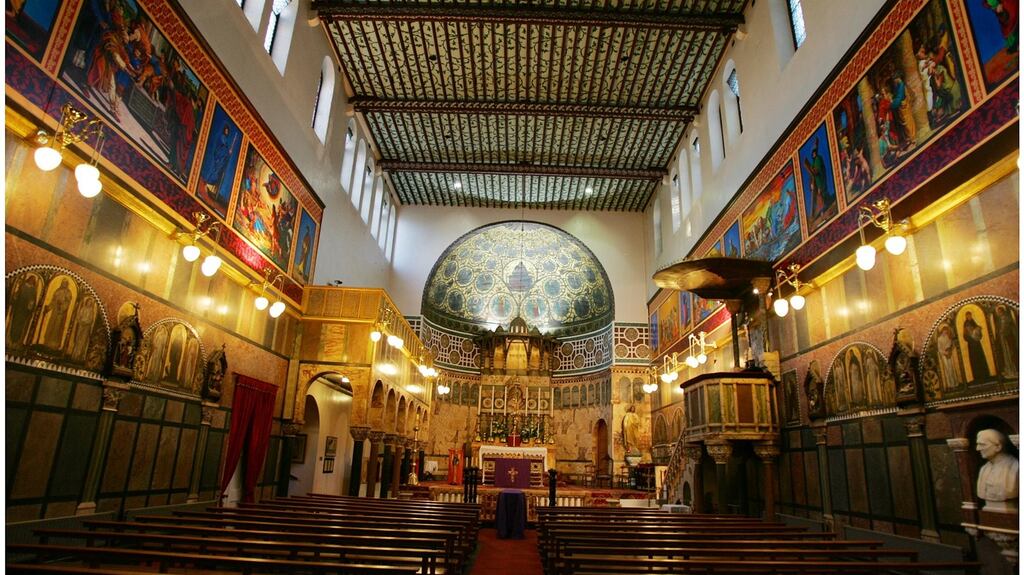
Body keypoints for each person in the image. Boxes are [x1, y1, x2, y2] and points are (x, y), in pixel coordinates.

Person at [976, 429, 1019, 512]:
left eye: (982, 444)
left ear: (998, 447)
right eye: (977, 444)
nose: (977, 448)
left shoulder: (1015, 466)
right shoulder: (984, 469)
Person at [962, 311, 993, 384]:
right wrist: (971, 337)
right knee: (974, 359)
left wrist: (978, 330)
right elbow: (965, 336)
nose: (969, 317)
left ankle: (985, 375)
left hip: (977, 343)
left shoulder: (973, 322)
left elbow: (978, 332)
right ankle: (977, 376)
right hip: (972, 344)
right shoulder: (966, 324)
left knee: (980, 357)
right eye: (968, 316)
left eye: (970, 315)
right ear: (966, 316)